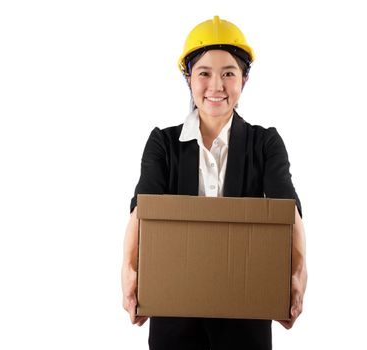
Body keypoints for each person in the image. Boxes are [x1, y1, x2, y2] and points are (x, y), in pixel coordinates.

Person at [121, 15, 307, 349]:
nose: (216, 86)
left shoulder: (265, 143)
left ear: (244, 79)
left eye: (229, 74)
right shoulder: (163, 143)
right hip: (173, 315)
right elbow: (142, 209)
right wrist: (129, 270)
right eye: (204, 73)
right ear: (188, 78)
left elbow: (287, 209)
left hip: (245, 317)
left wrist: (298, 273)